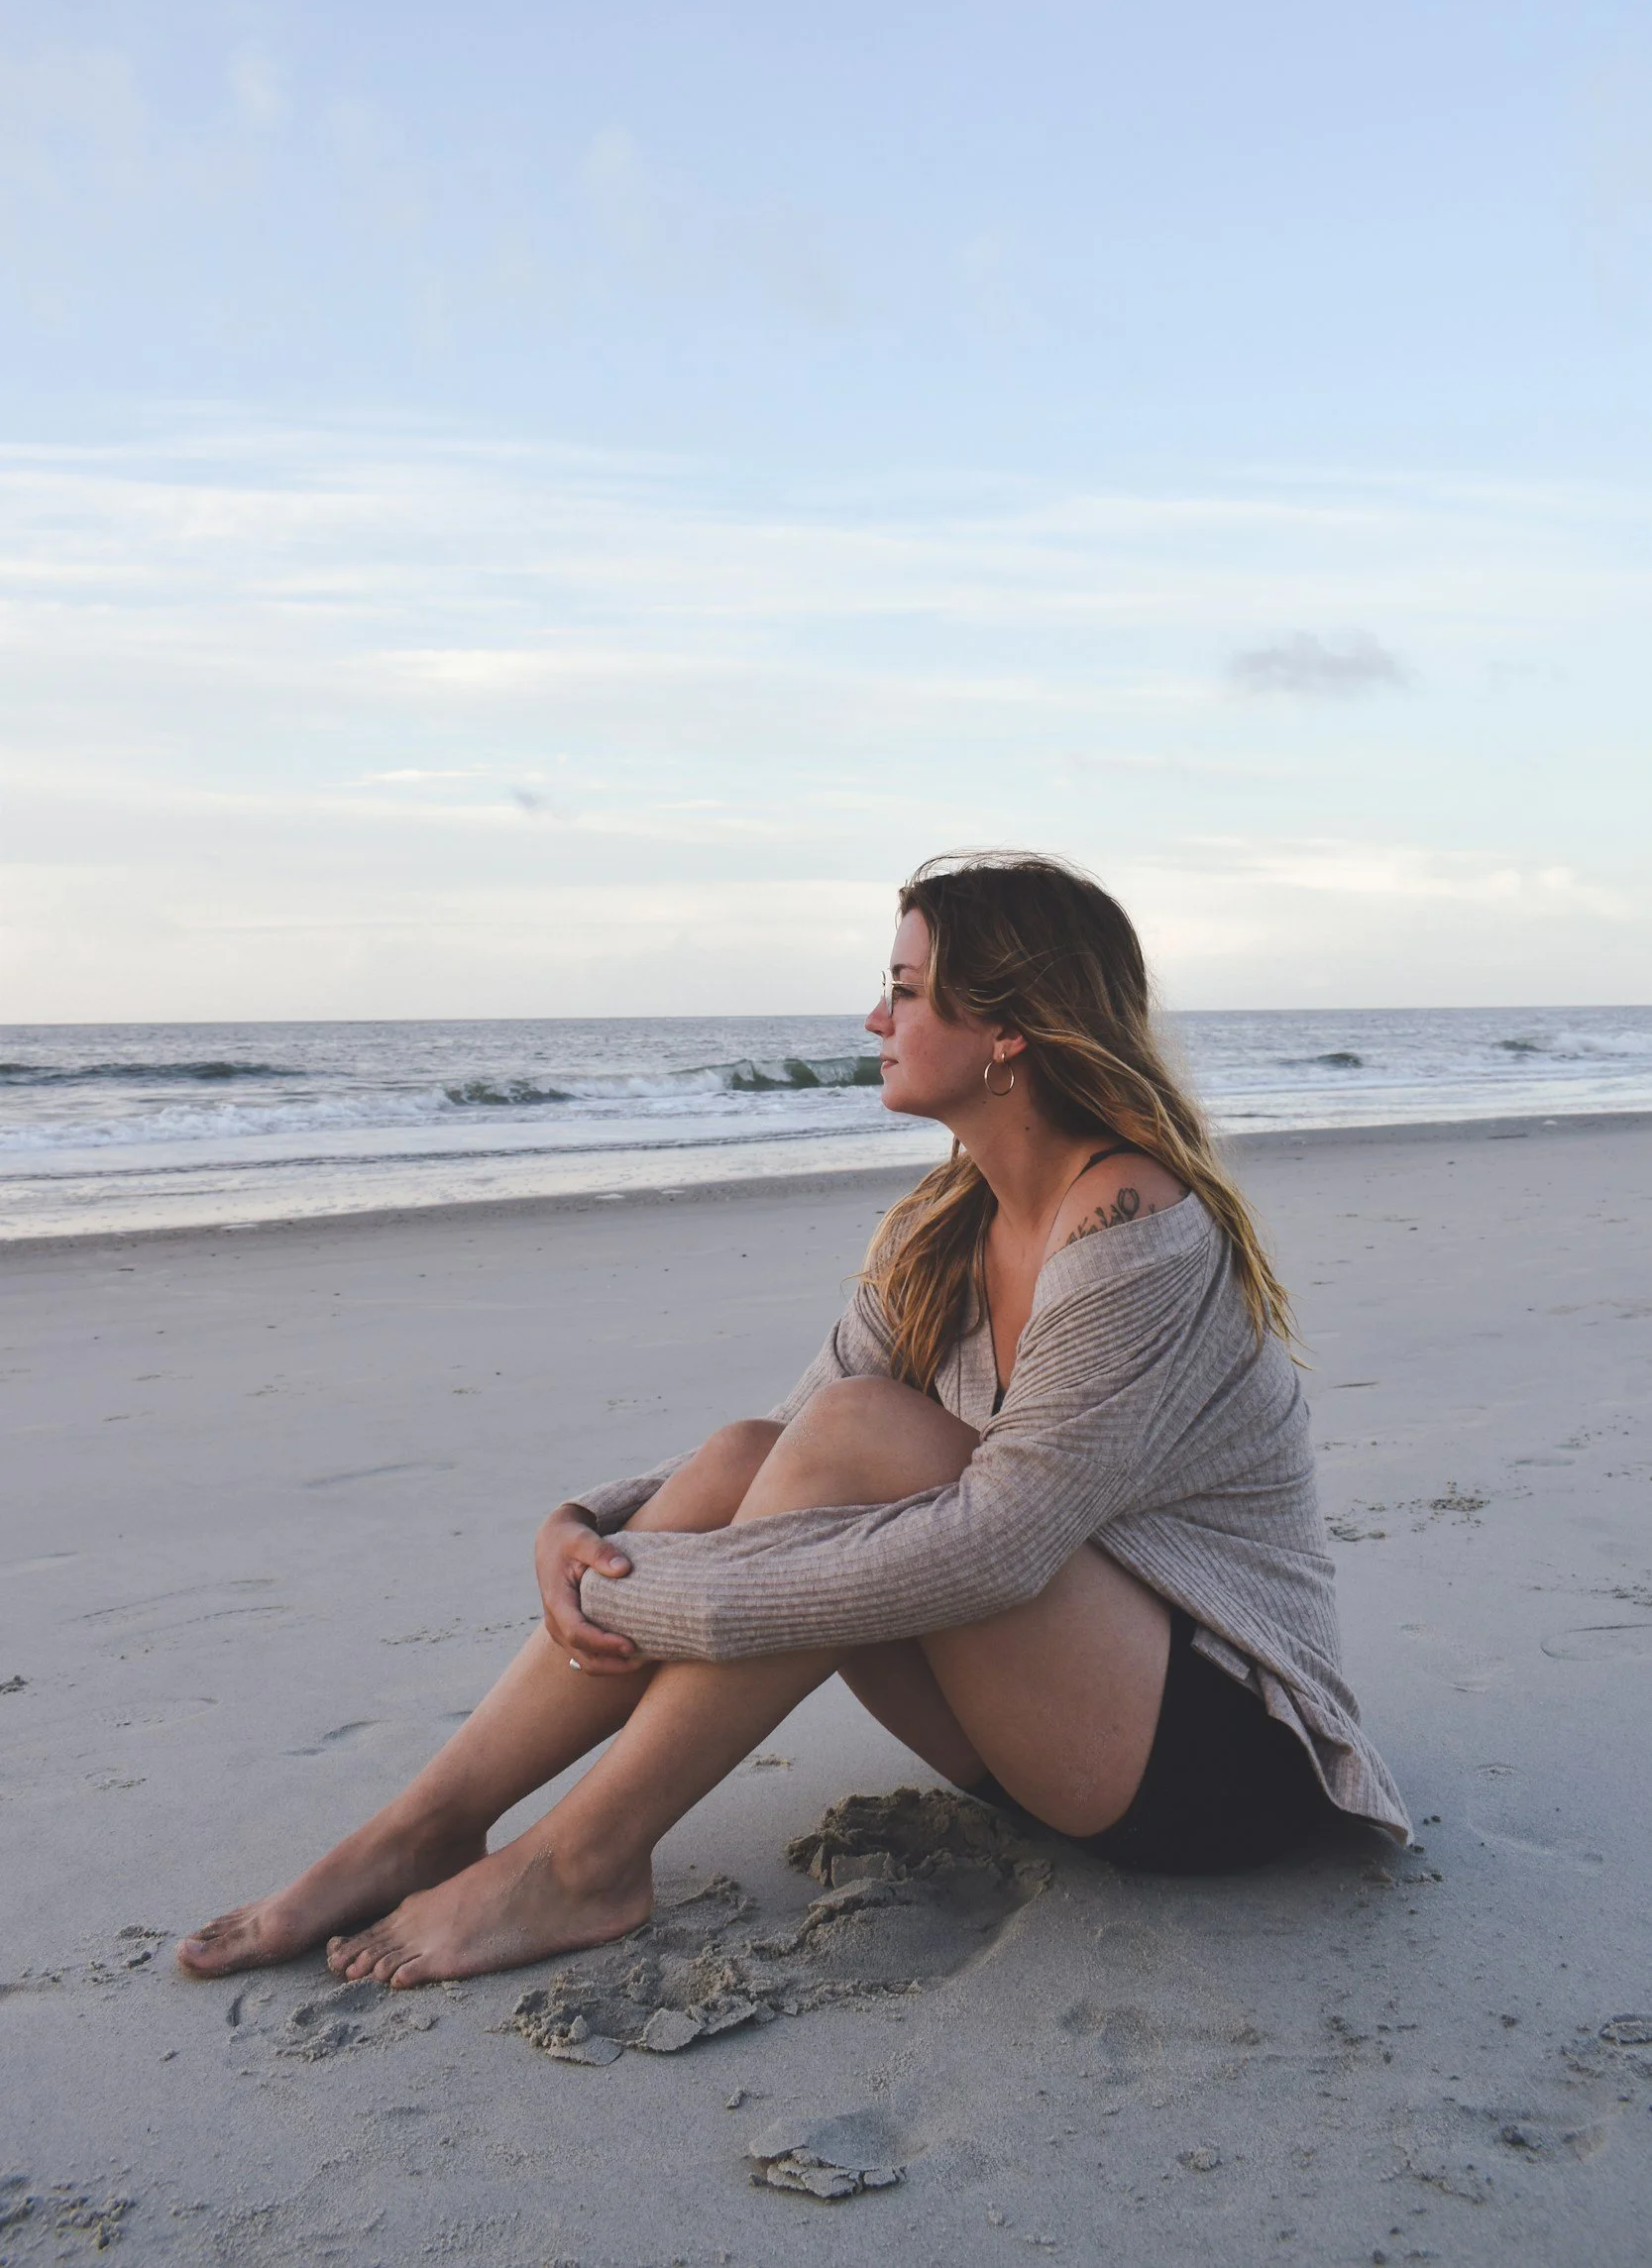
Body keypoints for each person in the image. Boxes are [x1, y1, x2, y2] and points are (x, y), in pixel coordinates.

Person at [177, 852, 1407, 1992]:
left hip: (1213, 1760)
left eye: (904, 989)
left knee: (865, 1437)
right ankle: (426, 1824)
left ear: (1007, 1032)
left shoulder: (1132, 1231)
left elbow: (998, 1545)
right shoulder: (947, 1227)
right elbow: (779, 1441)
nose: (874, 1020)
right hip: (1053, 1742)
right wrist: (585, 1525)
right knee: (755, 1453)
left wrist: (638, 1594)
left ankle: (582, 1860)